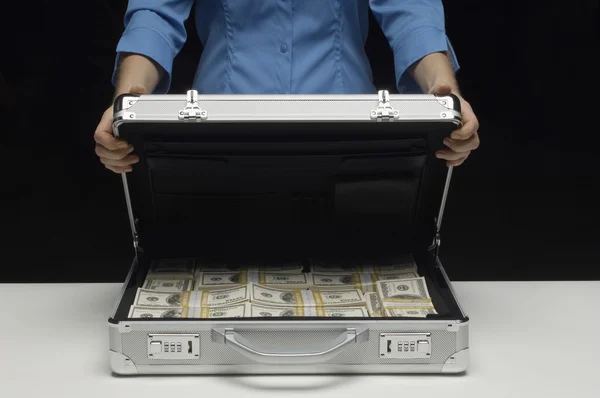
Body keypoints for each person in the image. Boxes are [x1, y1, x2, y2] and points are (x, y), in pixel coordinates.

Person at [94, 0, 480, 173]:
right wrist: (129, 106)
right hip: (215, 138)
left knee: (357, 253)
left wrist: (445, 94)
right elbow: (155, 15)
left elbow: (411, 10)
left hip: (353, 137)